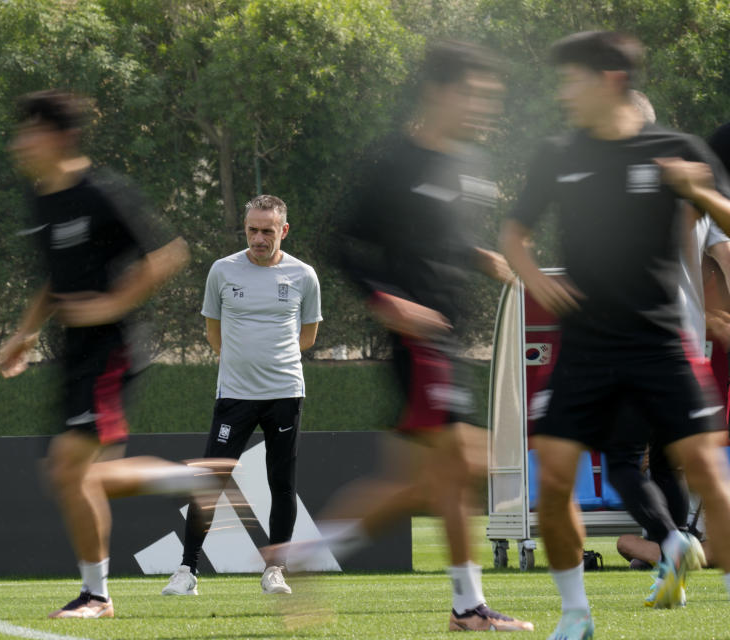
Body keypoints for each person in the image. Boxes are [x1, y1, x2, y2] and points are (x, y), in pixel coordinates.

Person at [269, 41, 532, 633]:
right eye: (477, 94)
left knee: (427, 483)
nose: (487, 107)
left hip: (446, 339)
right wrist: (384, 300)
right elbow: (343, 241)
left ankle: (310, 557)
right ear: (441, 91)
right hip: (419, 345)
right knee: (471, 464)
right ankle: (464, 604)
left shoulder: (465, 166)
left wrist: (481, 256)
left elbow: (432, 242)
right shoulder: (393, 162)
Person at [500, 30, 730, 640]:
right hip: (585, 346)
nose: (562, 93)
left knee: (706, 472)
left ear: (611, 81)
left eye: (570, 79)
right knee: (551, 480)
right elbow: (513, 234)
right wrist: (533, 280)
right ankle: (575, 616)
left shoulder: (676, 148)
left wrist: (698, 189)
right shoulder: (557, 152)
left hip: (661, 341)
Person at [0, 90, 232, 620]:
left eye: (30, 130)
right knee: (77, 477)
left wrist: (109, 305)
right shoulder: (40, 198)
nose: (20, 142)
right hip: (70, 355)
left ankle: (97, 595)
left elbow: (167, 255)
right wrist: (26, 333)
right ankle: (191, 483)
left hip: (111, 352)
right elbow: (54, 280)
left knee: (70, 470)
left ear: (61, 136)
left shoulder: (101, 192)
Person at [601, 91, 730, 606]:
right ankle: (675, 561)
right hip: (685, 344)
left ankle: (676, 545)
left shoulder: (611, 182)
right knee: (673, 462)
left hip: (639, 339)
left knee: (625, 456)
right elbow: (721, 248)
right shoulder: (688, 178)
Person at [161, 194, 321, 596]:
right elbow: (213, 332)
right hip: (234, 396)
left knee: (281, 483)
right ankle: (187, 571)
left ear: (283, 231)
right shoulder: (222, 271)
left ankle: (275, 571)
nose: (259, 238)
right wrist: (243, 366)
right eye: (252, 229)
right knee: (210, 481)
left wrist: (272, 365)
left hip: (285, 394)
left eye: (268, 231)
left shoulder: (304, 276)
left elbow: (307, 336)